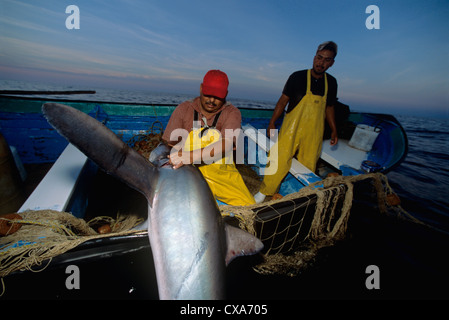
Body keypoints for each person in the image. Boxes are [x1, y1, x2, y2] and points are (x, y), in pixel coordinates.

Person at [254, 41, 339, 203]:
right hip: (290, 130)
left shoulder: (332, 83)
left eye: (327, 60)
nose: (321, 62)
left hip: (314, 133)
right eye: (319, 57)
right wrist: (272, 122)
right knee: (278, 158)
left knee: (308, 164)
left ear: (332, 63)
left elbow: (329, 107)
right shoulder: (297, 77)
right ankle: (264, 192)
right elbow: (282, 102)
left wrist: (334, 129)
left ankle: (299, 195)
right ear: (314, 57)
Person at [162, 69, 256, 206]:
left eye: (217, 97)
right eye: (208, 95)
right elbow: (168, 145)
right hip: (188, 173)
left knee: (249, 207)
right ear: (201, 88)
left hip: (222, 176)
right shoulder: (184, 109)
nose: (212, 100)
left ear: (226, 95)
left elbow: (227, 143)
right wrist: (178, 155)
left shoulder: (232, 113)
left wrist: (191, 156)